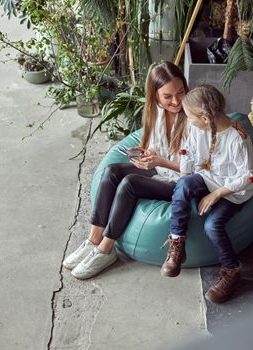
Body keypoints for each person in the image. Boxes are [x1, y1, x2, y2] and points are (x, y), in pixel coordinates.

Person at [63, 61, 189, 279]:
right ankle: (94, 239)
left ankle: (106, 249)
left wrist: (158, 162)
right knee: (111, 172)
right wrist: (146, 153)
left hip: (181, 182)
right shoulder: (157, 113)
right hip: (161, 170)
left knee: (129, 184)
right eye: (167, 96)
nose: (176, 101)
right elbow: (157, 147)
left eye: (180, 92)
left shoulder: (193, 116)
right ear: (156, 96)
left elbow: (197, 169)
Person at [160, 85, 253, 303]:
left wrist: (217, 194)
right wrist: (185, 180)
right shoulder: (198, 129)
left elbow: (250, 179)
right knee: (184, 184)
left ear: (204, 117)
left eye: (189, 117)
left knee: (212, 226)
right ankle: (177, 244)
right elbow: (188, 152)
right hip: (207, 178)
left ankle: (232, 270)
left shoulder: (237, 138)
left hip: (232, 191)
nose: (187, 120)